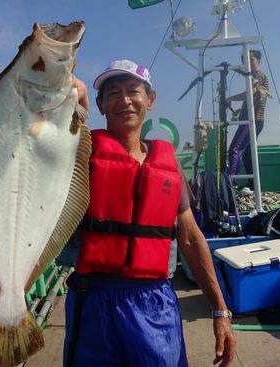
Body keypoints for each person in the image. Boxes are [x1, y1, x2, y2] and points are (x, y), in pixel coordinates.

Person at [63, 59, 236, 367]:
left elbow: (191, 239)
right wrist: (76, 101)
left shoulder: (168, 165)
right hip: (93, 302)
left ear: (150, 100)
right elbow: (54, 136)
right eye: (113, 93)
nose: (124, 100)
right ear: (101, 105)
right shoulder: (82, 154)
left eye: (133, 91)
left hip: (156, 303)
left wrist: (220, 310)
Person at [227, 50, 270, 189]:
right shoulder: (252, 76)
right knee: (247, 154)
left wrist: (229, 98)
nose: (248, 63)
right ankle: (252, 186)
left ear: (258, 61)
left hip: (253, 121)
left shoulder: (259, 76)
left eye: (251, 59)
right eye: (245, 60)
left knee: (234, 148)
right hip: (251, 121)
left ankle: (230, 182)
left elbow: (250, 93)